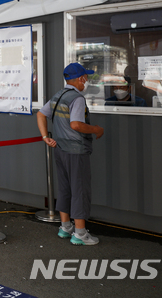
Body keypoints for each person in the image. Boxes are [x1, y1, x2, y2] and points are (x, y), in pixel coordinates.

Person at [36, 62, 104, 246]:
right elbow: (76, 124)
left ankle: (65, 227)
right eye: (86, 77)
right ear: (80, 79)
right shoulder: (77, 98)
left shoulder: (59, 95)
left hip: (60, 149)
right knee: (79, 189)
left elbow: (41, 114)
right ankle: (80, 233)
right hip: (76, 151)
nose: (87, 81)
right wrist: (96, 129)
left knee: (65, 188)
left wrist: (45, 137)